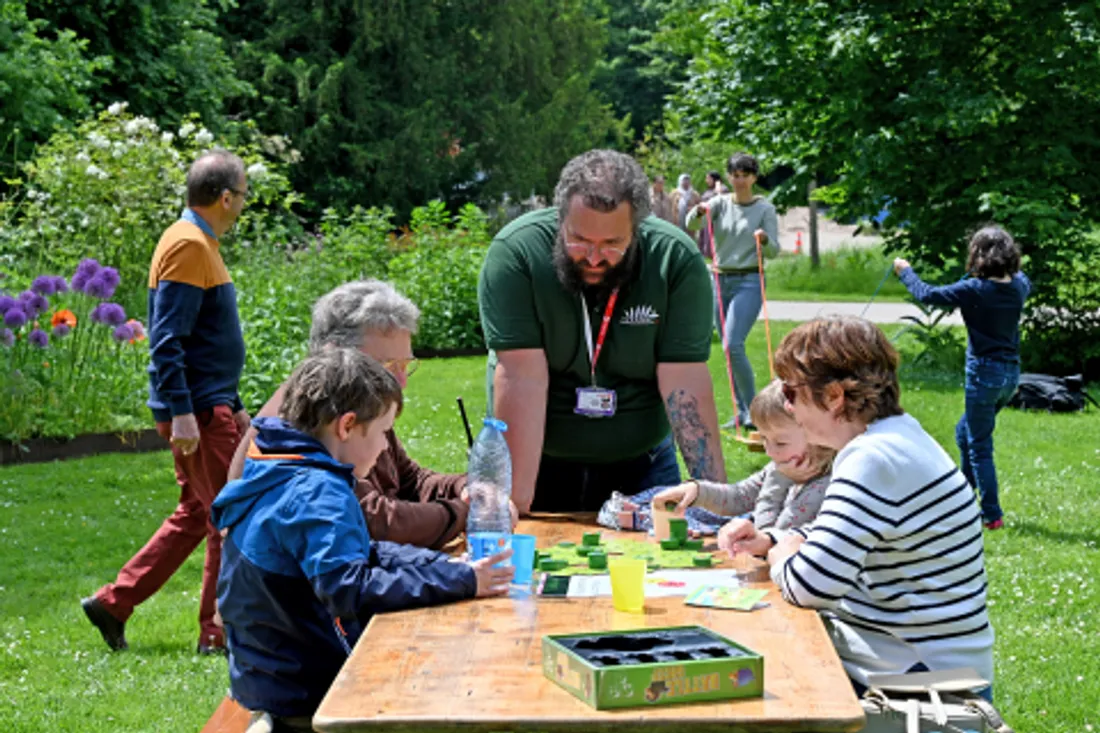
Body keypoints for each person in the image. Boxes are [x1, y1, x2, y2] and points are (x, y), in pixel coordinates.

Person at [213, 349, 512, 731]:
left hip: (270, 677)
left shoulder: (279, 466)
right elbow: (349, 588)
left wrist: (446, 567)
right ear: (347, 425)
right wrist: (464, 581)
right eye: (384, 432)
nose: (387, 447)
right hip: (309, 694)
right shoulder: (317, 492)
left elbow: (362, 554)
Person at [727, 316, 994, 698]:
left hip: (921, 684)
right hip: (927, 667)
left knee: (753, 684)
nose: (787, 404)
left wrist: (782, 554)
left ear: (835, 396)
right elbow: (852, 535)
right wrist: (775, 539)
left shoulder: (871, 457)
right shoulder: (894, 436)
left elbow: (809, 586)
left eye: (790, 392)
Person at [478, 149, 725, 514]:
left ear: (637, 229)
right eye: (579, 240)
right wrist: (516, 505)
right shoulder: (516, 255)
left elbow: (684, 380)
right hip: (540, 460)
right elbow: (521, 377)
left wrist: (715, 500)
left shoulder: (675, 260)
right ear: (560, 218)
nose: (594, 258)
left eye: (612, 244)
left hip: (644, 466)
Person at [82, 149, 251, 655]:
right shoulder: (187, 244)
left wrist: (235, 401)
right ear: (225, 197)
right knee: (229, 515)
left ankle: (113, 603)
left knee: (197, 515)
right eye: (242, 196)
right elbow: (167, 340)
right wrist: (182, 412)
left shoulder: (197, 241)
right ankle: (217, 634)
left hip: (208, 402)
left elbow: (204, 340)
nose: (243, 205)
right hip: (197, 410)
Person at [227, 280, 497, 549]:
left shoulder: (358, 403)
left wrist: (467, 487)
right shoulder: (299, 421)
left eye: (406, 364)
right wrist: (462, 512)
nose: (401, 382)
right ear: (334, 354)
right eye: (387, 365)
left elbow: (409, 479)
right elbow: (373, 520)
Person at [894, 226, 1030, 530]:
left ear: (978, 255)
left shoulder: (974, 290)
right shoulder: (1019, 285)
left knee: (979, 443)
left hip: (984, 374)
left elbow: (927, 294)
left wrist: (905, 272)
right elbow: (1019, 279)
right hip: (1009, 376)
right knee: (963, 432)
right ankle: (963, 496)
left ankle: (991, 514)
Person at [648, 380, 833, 540]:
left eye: (780, 443)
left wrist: (779, 479)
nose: (769, 451)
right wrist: (697, 490)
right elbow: (738, 496)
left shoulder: (825, 484)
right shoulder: (782, 466)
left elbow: (770, 531)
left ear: (816, 436)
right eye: (764, 439)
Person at [686, 152, 779, 429]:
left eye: (744, 175)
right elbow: (692, 225)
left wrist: (763, 240)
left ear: (753, 177)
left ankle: (754, 411)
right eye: (734, 175)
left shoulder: (765, 209)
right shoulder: (719, 203)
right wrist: (698, 211)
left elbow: (774, 251)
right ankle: (740, 412)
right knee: (728, 352)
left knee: (732, 344)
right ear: (728, 176)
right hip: (718, 278)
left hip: (749, 280)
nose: (739, 180)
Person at [696, 170, 729, 258]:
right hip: (706, 217)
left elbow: (721, 199)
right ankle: (708, 254)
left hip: (717, 218)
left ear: (714, 179)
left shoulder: (722, 188)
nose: (706, 180)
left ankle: (717, 254)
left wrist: (718, 187)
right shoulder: (708, 190)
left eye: (708, 178)